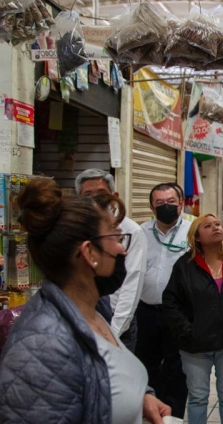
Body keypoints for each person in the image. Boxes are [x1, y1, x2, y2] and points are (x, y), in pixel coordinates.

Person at [0, 178, 171, 423]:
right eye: (115, 237)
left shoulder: (95, 310)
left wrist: (140, 399)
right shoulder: (43, 344)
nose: (123, 250)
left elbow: (102, 375)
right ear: (89, 252)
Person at [163, 214, 223, 424]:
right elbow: (170, 301)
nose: (216, 228)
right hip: (195, 346)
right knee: (198, 397)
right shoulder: (184, 266)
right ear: (197, 237)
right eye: (208, 226)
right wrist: (187, 331)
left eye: (218, 224)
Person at [76, 168, 148, 352]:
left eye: (101, 194)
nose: (94, 200)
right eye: (88, 194)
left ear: (114, 196)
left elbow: (131, 285)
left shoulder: (130, 231)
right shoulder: (74, 229)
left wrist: (113, 332)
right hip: (83, 317)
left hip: (117, 321)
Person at [137, 183, 191, 419]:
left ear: (181, 203)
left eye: (171, 202)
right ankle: (149, 415)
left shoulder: (192, 231)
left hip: (178, 313)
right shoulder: (141, 232)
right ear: (151, 207)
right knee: (144, 367)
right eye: (160, 203)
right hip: (145, 311)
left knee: (176, 370)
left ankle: (173, 417)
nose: (166, 207)